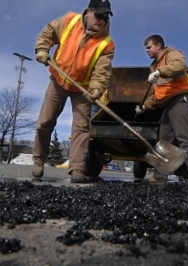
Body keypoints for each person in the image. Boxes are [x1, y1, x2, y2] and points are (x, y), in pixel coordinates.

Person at [32, 0, 115, 183]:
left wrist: (96, 90)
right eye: (99, 15)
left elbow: (101, 72)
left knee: (81, 128)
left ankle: (77, 169)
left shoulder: (107, 44)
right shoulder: (69, 21)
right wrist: (42, 49)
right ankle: (38, 160)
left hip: (83, 90)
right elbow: (49, 32)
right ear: (89, 11)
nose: (102, 20)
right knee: (44, 122)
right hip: (57, 82)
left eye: (106, 17)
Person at [135, 34, 188, 183]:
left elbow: (178, 66)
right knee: (165, 141)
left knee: (185, 137)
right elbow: (157, 93)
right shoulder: (154, 66)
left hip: (181, 100)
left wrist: (159, 72)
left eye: (149, 47)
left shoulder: (172, 55)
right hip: (169, 104)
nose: (146, 51)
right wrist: (144, 107)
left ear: (158, 46)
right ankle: (159, 177)